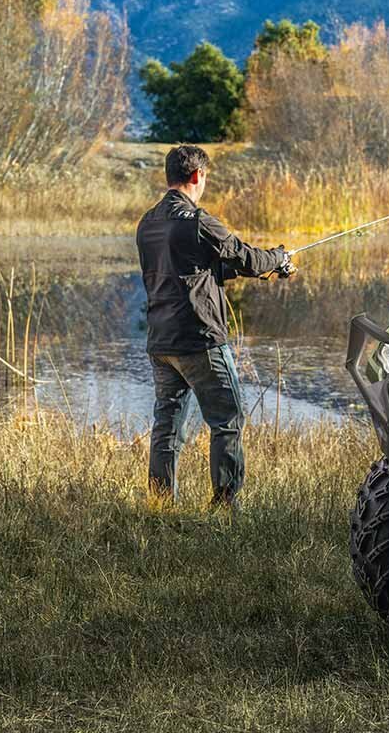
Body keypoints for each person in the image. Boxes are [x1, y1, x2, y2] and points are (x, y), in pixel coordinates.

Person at [136, 145, 295, 510]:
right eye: (205, 177)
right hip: (200, 340)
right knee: (228, 419)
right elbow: (246, 257)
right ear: (198, 175)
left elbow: (201, 268)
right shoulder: (198, 221)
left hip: (161, 342)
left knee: (166, 427)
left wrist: (263, 267)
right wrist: (279, 257)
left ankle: (160, 503)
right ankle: (225, 506)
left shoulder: (147, 222)